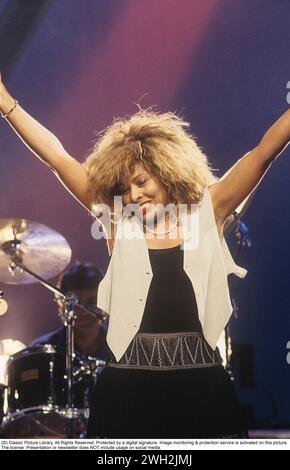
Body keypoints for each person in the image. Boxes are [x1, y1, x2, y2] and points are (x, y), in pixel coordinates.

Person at [1, 74, 289, 438]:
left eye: (142, 182)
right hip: (126, 387)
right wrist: (6, 102)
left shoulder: (209, 211)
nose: (135, 195)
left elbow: (265, 151)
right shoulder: (118, 222)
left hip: (201, 385)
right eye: (125, 188)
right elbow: (58, 158)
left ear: (167, 172)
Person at [31, 261, 108, 361]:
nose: (83, 311)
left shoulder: (122, 345)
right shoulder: (41, 350)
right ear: (62, 304)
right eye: (75, 302)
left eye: (92, 302)